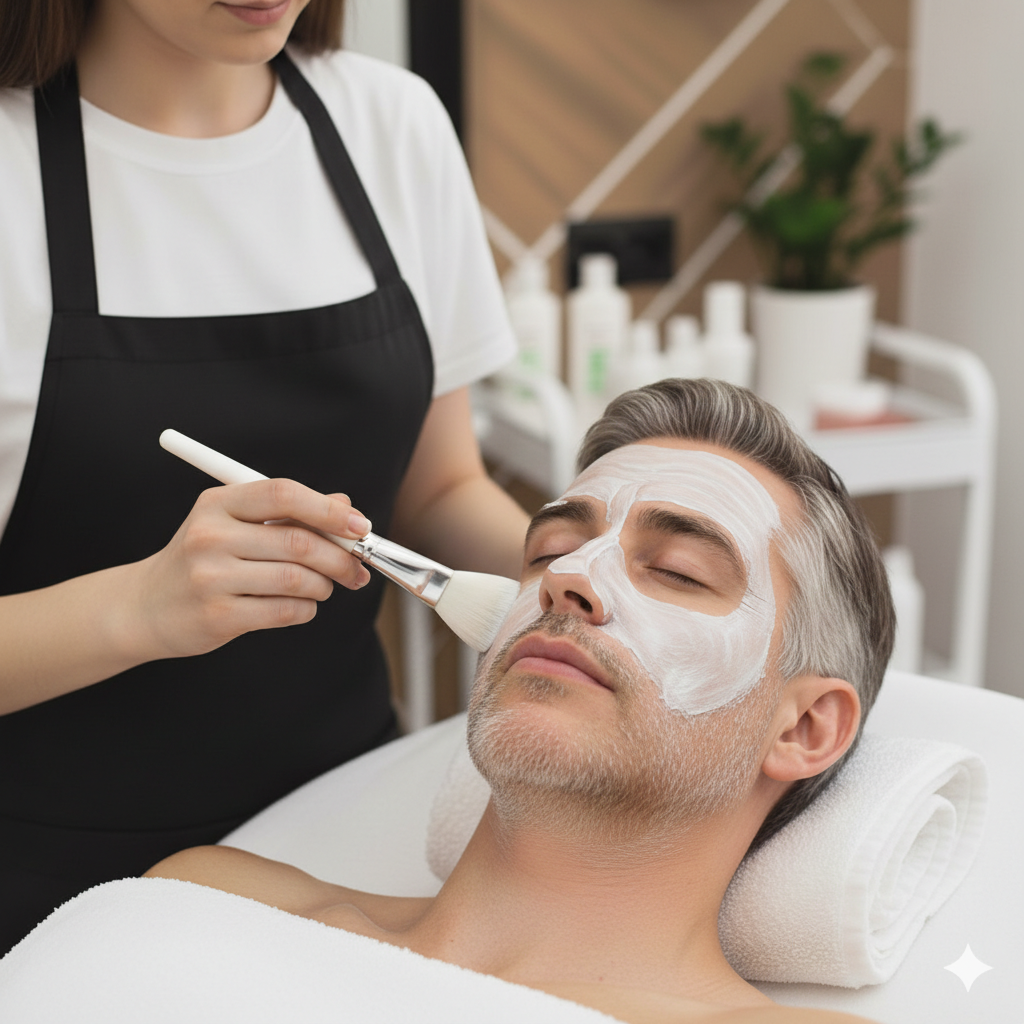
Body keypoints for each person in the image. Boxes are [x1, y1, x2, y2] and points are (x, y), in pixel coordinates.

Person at [60, 378, 890, 1023]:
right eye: (553, 548)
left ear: (806, 727)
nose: (569, 578)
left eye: (676, 571)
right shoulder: (213, 900)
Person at [0, 0, 529, 952]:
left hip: (350, 848)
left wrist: (573, 576)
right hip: (46, 894)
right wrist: (141, 610)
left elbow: (441, 487)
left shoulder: (391, 125)